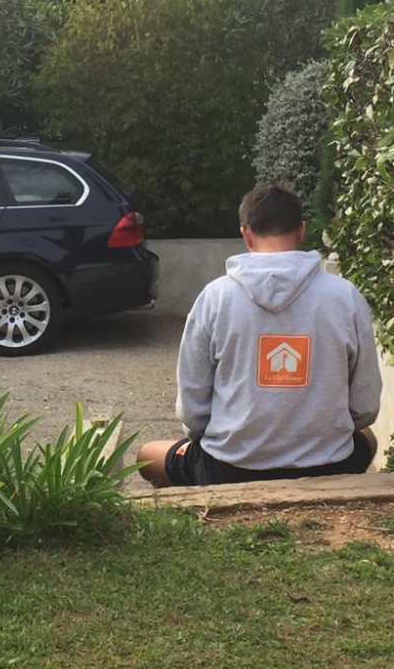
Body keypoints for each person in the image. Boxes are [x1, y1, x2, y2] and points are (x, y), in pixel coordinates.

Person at [138, 185, 383, 488]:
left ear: (246, 233)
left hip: (228, 468)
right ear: (302, 231)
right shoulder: (345, 296)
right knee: (368, 439)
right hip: (329, 465)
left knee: (145, 455)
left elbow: (192, 409)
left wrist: (208, 439)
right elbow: (365, 408)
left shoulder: (215, 297)